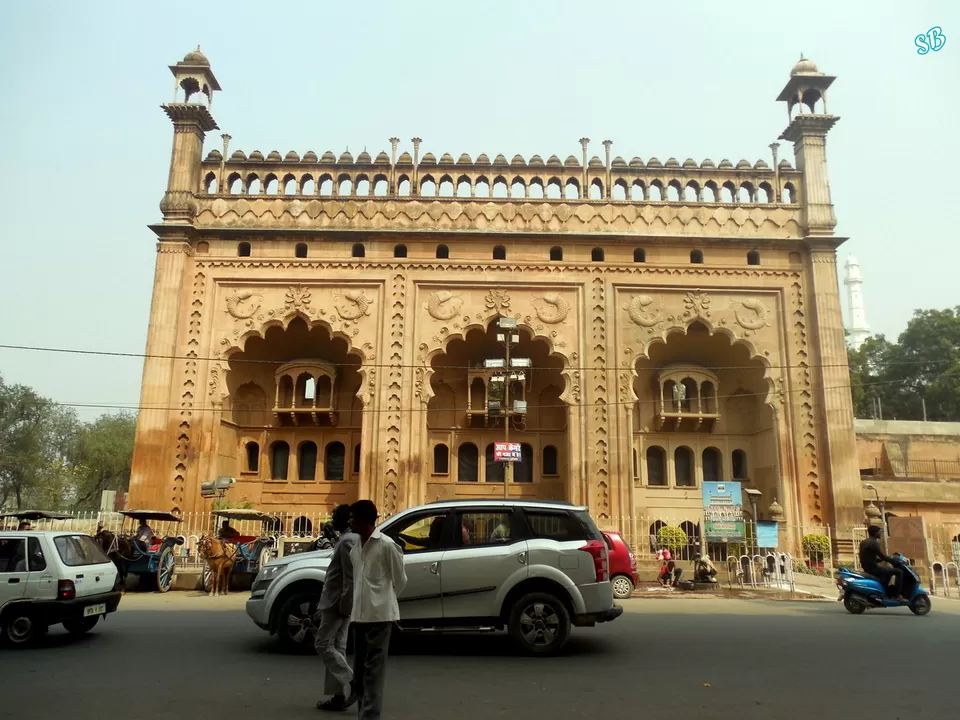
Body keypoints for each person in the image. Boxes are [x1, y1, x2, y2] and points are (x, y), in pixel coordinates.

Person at [348, 499, 407, 720]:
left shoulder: (386, 545)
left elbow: (400, 580)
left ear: (364, 520)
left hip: (380, 618)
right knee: (361, 673)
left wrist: (385, 602)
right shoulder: (356, 549)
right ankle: (363, 712)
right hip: (359, 618)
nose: (349, 522)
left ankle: (370, 716)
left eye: (353, 517)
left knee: (373, 672)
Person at [314, 505, 358, 712]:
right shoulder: (346, 538)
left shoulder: (349, 541)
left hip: (337, 603)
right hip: (339, 601)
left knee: (323, 644)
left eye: (334, 517)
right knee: (337, 647)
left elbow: (350, 577)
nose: (331, 520)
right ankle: (338, 697)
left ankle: (354, 683)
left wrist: (344, 604)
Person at [858, 525, 905, 600]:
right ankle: (897, 595)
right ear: (875, 533)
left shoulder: (864, 542)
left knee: (888, 571)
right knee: (899, 572)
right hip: (873, 568)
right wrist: (894, 561)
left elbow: (868, 556)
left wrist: (881, 560)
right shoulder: (874, 543)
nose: (880, 534)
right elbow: (883, 556)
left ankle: (886, 591)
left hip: (867, 567)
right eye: (879, 532)